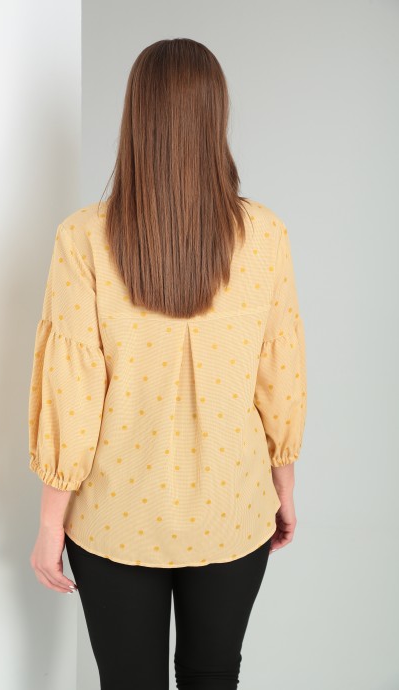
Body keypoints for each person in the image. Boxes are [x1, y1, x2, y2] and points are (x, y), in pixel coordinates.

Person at [28, 37, 307, 690]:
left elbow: (73, 392)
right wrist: (284, 485)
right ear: (216, 117)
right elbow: (280, 375)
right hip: (232, 506)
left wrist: (48, 523)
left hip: (113, 515)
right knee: (213, 676)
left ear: (137, 118)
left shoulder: (83, 238)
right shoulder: (265, 235)